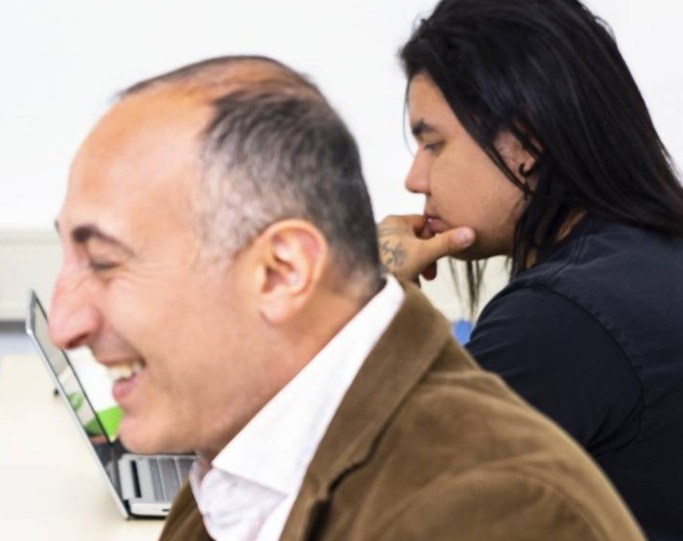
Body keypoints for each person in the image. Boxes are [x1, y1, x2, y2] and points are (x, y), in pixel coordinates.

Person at [51, 55, 641, 540]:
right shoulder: (237, 459)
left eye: (105, 261)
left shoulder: (482, 513)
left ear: (283, 272)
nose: (64, 323)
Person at [378, 1, 683, 536]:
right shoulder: (655, 259)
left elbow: (379, 516)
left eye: (433, 144)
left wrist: (363, 297)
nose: (414, 179)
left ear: (527, 144)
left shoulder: (557, 323)